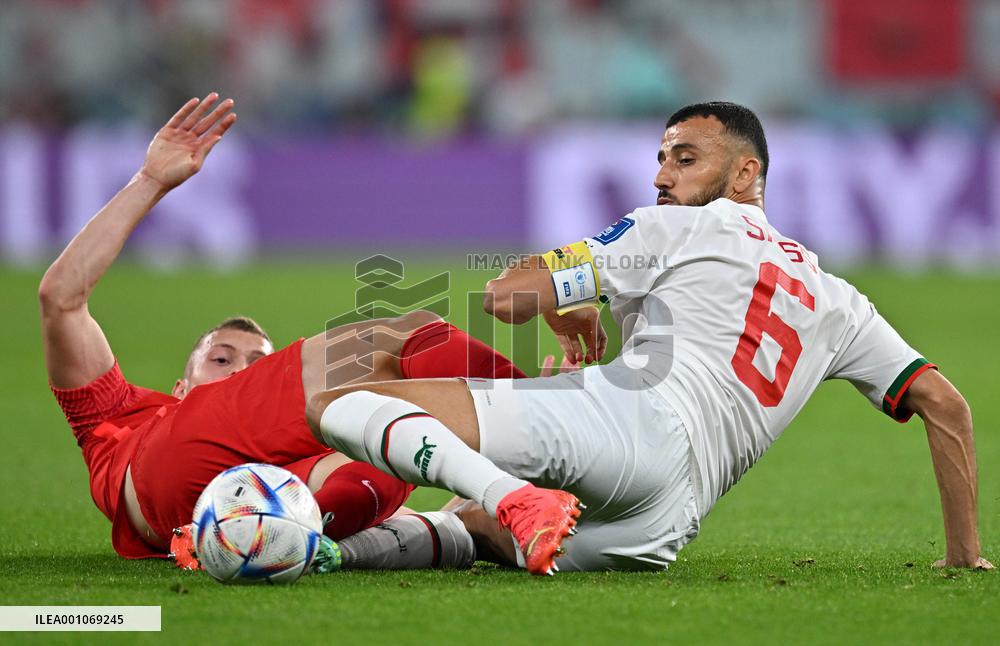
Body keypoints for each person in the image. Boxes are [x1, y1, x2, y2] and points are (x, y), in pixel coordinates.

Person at [302, 101, 993, 575]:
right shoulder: (841, 302)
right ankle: (321, 552)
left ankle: (514, 495)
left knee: (340, 404)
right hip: (663, 526)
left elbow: (505, 295)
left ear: (745, 174)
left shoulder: (677, 227)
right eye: (661, 158)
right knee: (472, 525)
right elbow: (946, 407)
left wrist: (566, 308)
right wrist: (964, 552)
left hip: (632, 425)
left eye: (686, 158)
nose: (663, 175)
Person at [40, 94, 531, 565]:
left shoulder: (297, 461)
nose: (241, 371)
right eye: (222, 358)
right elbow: (60, 298)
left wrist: (467, 516)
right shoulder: (121, 416)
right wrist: (149, 180)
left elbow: (385, 508)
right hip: (166, 467)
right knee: (403, 340)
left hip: (254, 506)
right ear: (180, 387)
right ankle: (558, 412)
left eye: (259, 363)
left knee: (393, 454)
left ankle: (261, 542)